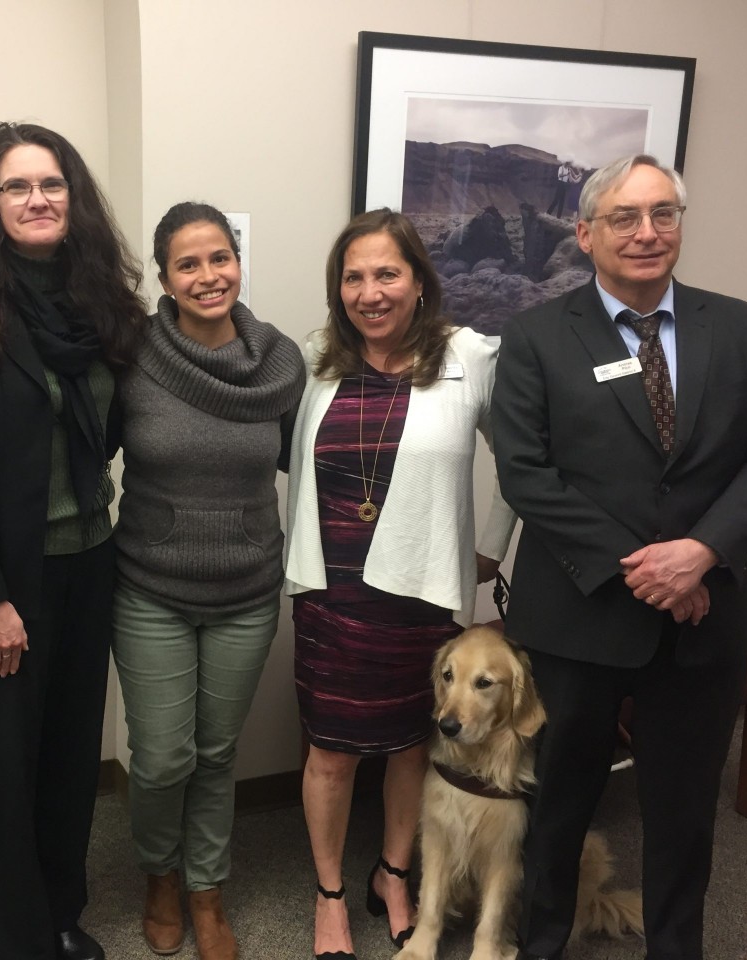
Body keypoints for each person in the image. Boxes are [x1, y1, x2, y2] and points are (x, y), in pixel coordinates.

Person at [492, 154, 747, 960]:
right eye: (625, 217)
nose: (647, 232)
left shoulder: (743, 328)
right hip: (579, 618)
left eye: (664, 213)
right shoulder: (534, 338)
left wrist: (700, 555)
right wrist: (651, 570)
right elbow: (528, 475)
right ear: (586, 233)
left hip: (707, 620)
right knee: (560, 802)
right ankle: (543, 941)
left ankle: (675, 947)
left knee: (684, 812)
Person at [0, 122, 143, 960]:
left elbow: (120, 427)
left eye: (51, 184)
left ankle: (59, 913)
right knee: (11, 766)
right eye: (17, 186)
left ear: (73, 197)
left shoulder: (104, 305)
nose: (37, 199)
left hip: (92, 561)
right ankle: (15, 940)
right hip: (8, 581)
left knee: (74, 755)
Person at [285, 208, 516, 960]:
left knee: (412, 743)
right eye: (354, 276)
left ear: (420, 281)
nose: (370, 291)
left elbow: (522, 457)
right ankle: (328, 894)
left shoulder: (469, 356)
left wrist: (487, 549)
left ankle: (392, 873)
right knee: (332, 749)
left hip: (420, 592)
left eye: (387, 273)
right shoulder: (321, 354)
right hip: (332, 588)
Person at [112, 202, 305, 960]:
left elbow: (309, 462)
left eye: (219, 258)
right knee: (163, 756)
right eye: (188, 264)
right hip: (150, 588)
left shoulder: (279, 363)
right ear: (164, 278)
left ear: (238, 262)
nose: (207, 275)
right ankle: (159, 875)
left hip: (247, 590)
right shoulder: (131, 356)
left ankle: (207, 888)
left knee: (218, 754)